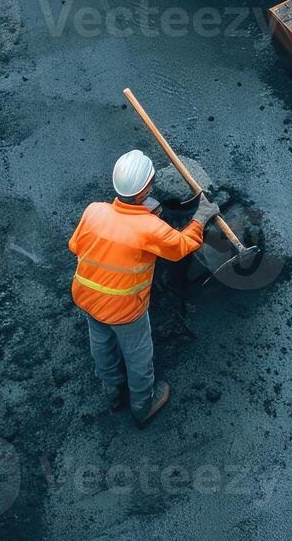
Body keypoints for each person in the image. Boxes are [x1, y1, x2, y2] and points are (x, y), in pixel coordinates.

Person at [68, 149, 216, 428]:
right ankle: (142, 406)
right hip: (125, 310)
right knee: (138, 357)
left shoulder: (94, 211)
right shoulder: (149, 227)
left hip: (86, 296)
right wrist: (201, 217)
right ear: (144, 190)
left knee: (102, 345)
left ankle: (112, 391)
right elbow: (181, 247)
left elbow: (75, 246)